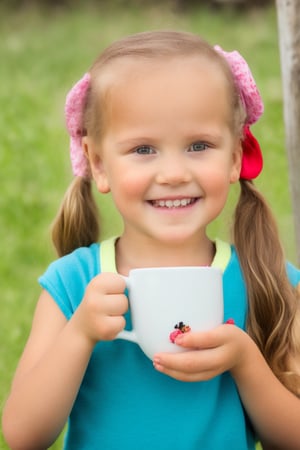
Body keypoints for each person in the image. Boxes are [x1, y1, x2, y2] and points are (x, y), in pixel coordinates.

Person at [2, 30, 300, 450]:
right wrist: (80, 333)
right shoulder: (73, 284)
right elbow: (22, 436)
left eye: (199, 145)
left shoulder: (266, 280)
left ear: (235, 157)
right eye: (144, 149)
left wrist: (245, 361)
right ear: (99, 164)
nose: (174, 173)